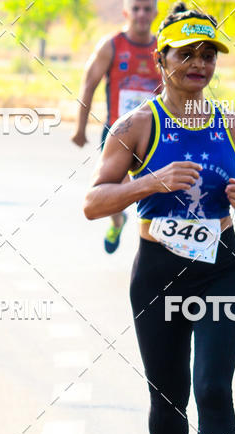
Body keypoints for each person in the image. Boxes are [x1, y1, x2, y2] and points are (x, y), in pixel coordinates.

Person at [83, 2, 235, 434]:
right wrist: (151, 182)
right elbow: (94, 202)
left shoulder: (234, 122)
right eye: (187, 54)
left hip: (222, 268)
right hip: (159, 272)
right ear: (162, 60)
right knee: (168, 398)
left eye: (208, 55)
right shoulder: (136, 126)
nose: (199, 64)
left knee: (212, 387)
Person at [72, 0, 160, 254]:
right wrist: (80, 128)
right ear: (125, 12)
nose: (141, 14)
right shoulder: (111, 46)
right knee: (116, 189)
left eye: (147, 9)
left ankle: (156, 245)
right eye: (136, 9)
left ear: (155, 13)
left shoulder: (163, 48)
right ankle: (117, 220)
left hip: (155, 134)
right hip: (118, 134)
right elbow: (89, 84)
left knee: (157, 190)